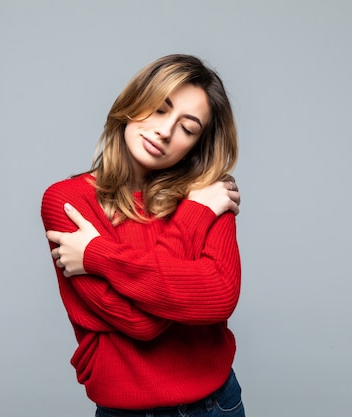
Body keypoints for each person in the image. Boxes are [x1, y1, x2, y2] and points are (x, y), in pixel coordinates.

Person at [41, 54, 245, 417]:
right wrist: (194, 225)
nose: (165, 131)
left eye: (188, 127)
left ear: (197, 145)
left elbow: (220, 297)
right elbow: (142, 324)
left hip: (215, 405)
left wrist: (96, 254)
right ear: (134, 102)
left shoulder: (207, 195)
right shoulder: (67, 200)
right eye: (160, 109)